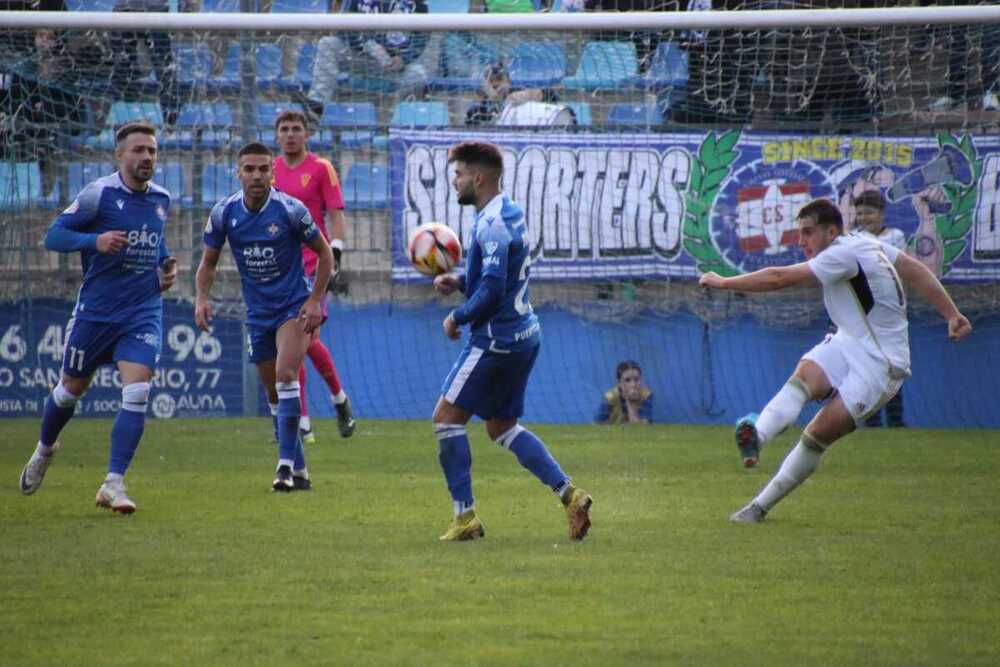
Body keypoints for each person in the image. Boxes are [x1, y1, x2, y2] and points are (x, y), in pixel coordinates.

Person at [699, 198, 972, 523]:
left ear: (831, 231)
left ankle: (758, 508)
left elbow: (777, 278)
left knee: (816, 436)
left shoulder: (842, 254)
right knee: (803, 378)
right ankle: (756, 436)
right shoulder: (865, 242)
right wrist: (951, 314)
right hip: (849, 340)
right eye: (799, 234)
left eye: (808, 233)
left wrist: (724, 282)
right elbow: (914, 268)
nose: (802, 242)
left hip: (882, 366)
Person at [431, 141, 593, 542]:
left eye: (459, 174)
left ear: (478, 177)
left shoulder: (490, 225)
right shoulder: (508, 212)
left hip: (495, 341)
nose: (456, 182)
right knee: (502, 427)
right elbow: (497, 278)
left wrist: (457, 316)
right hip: (525, 335)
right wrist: (459, 281)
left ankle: (464, 517)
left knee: (446, 421)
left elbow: (490, 292)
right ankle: (570, 495)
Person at [18, 121, 178, 514]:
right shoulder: (99, 195)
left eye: (152, 151)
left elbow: (154, 241)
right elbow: (54, 236)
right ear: (119, 155)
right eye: (138, 150)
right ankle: (44, 448)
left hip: (141, 312)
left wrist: (166, 265)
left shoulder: (162, 198)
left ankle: (113, 483)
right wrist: (94, 241)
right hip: (96, 314)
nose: (146, 158)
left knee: (138, 391)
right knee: (69, 389)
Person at [195, 142, 333, 492]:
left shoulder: (290, 210)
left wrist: (315, 300)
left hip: (293, 306)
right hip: (257, 312)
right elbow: (208, 262)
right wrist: (200, 298)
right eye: (249, 169)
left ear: (273, 172)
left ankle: (284, 467)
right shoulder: (224, 213)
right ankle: (300, 469)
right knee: (273, 394)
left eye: (262, 169)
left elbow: (325, 254)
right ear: (238, 173)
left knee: (288, 376)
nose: (256, 176)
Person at [272, 109, 356, 445]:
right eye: (284, 129)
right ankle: (335, 402)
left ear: (307, 135)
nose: (290, 134)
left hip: (312, 268)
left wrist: (334, 254)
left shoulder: (321, 168)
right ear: (277, 135)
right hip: (278, 269)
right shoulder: (270, 170)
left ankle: (309, 416)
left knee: (306, 340)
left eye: (296, 129)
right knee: (293, 346)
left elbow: (335, 214)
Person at [300, 0, 429, 121]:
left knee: (418, 74)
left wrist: (403, 59)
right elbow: (344, 30)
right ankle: (315, 109)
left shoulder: (417, 3)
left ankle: (399, 122)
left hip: (394, 65)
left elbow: (422, 37)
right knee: (328, 43)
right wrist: (368, 45)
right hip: (359, 58)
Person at [850, 190, 907, 428]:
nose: (864, 217)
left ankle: (895, 420)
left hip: (891, 311)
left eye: (870, 212)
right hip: (864, 311)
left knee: (893, 366)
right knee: (867, 367)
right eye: (860, 213)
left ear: (882, 213)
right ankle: (871, 420)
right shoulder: (852, 237)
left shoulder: (895, 236)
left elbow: (899, 268)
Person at [464, 62, 566, 127]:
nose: (495, 84)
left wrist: (530, 95)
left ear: (509, 81)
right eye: (491, 81)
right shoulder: (477, 110)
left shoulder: (518, 94)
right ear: (485, 85)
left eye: (499, 79)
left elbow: (553, 97)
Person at [595, 360, 653, 424]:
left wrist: (630, 403)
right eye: (627, 380)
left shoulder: (646, 396)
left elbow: (642, 429)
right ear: (619, 383)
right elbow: (597, 426)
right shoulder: (610, 398)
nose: (633, 385)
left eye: (636, 379)